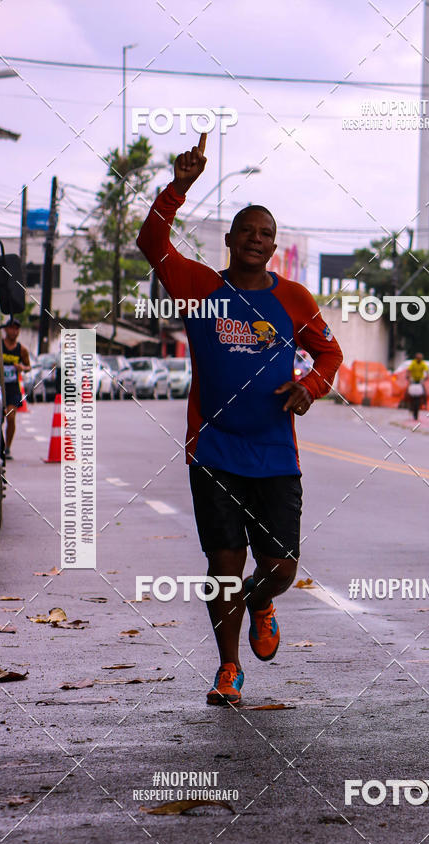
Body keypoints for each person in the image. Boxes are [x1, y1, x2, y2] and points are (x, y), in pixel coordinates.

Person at [137, 135, 343, 707]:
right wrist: (179, 187)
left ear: (274, 247)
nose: (258, 239)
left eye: (267, 234)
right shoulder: (200, 286)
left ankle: (262, 600)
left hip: (276, 453)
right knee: (223, 563)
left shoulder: (296, 298)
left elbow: (330, 356)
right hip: (215, 449)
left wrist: (309, 388)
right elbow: (151, 242)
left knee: (280, 566)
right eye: (248, 231)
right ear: (229, 240)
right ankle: (228, 669)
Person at [2, 318, 31, 459]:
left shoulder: (22, 349)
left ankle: (7, 447)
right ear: (5, 329)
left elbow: (28, 367)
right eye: (12, 328)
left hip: (13, 388)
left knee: (11, 416)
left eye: (17, 329)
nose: (14, 331)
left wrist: (22, 368)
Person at [406, 353, 428, 421]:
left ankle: (424, 403)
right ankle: (408, 404)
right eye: (418, 358)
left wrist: (426, 377)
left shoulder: (423, 364)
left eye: (420, 358)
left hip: (420, 381)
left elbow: (427, 371)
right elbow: (409, 370)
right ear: (416, 358)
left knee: (424, 393)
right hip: (413, 380)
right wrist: (408, 377)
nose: (419, 359)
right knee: (407, 392)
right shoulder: (413, 363)